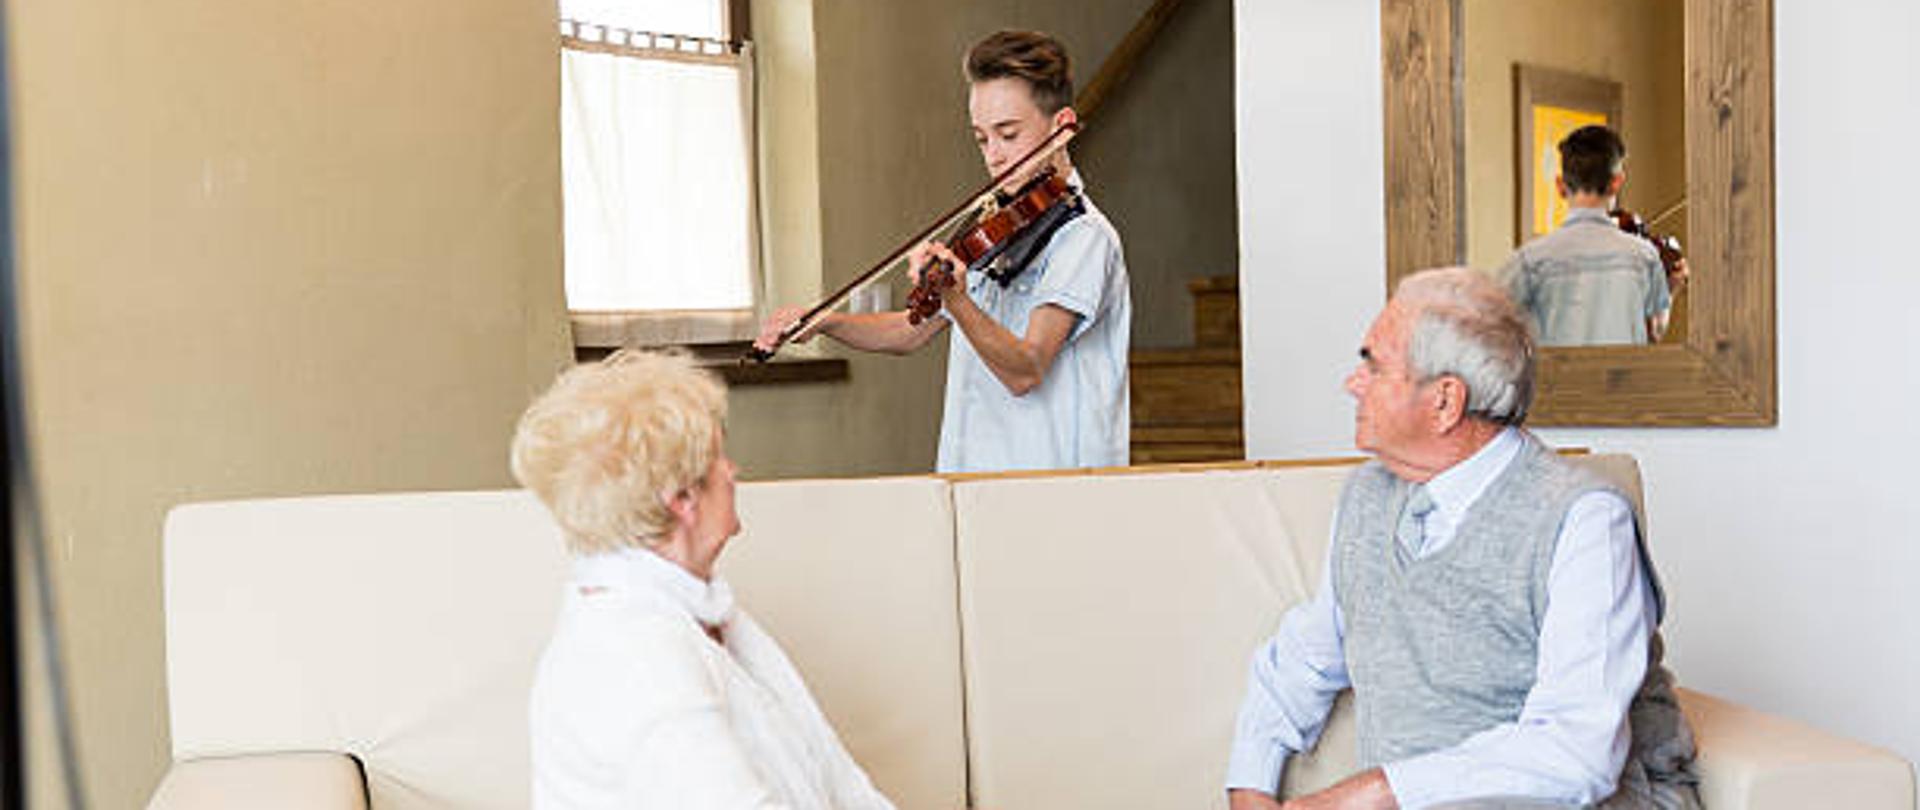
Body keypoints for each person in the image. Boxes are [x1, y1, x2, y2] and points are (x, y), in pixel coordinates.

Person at [1224, 268, 1698, 809]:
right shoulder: (1366, 498)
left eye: (1373, 366)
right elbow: (1301, 663)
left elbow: (1576, 753)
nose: (1352, 383)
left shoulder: (1583, 520)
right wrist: (1250, 788)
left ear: (1446, 401)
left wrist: (1385, 791)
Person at [514, 349, 895, 810]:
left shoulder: (702, 612)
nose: (733, 471)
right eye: (719, 458)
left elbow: (837, 777)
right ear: (682, 499)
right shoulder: (635, 658)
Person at [754, 30, 1131, 474]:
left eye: (1008, 134)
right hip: (971, 476)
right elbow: (910, 330)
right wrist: (826, 321)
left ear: (1062, 125)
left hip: (1051, 486)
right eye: (982, 139)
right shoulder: (998, 224)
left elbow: (1026, 370)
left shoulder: (1084, 237)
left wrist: (957, 298)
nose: (994, 156)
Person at [1493, 125, 1686, 347]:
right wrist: (1669, 291)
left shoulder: (1529, 260)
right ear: (1617, 182)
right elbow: (1654, 332)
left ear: (1560, 186)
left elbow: (1489, 325)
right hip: (1622, 381)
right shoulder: (1644, 256)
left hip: (1558, 382)